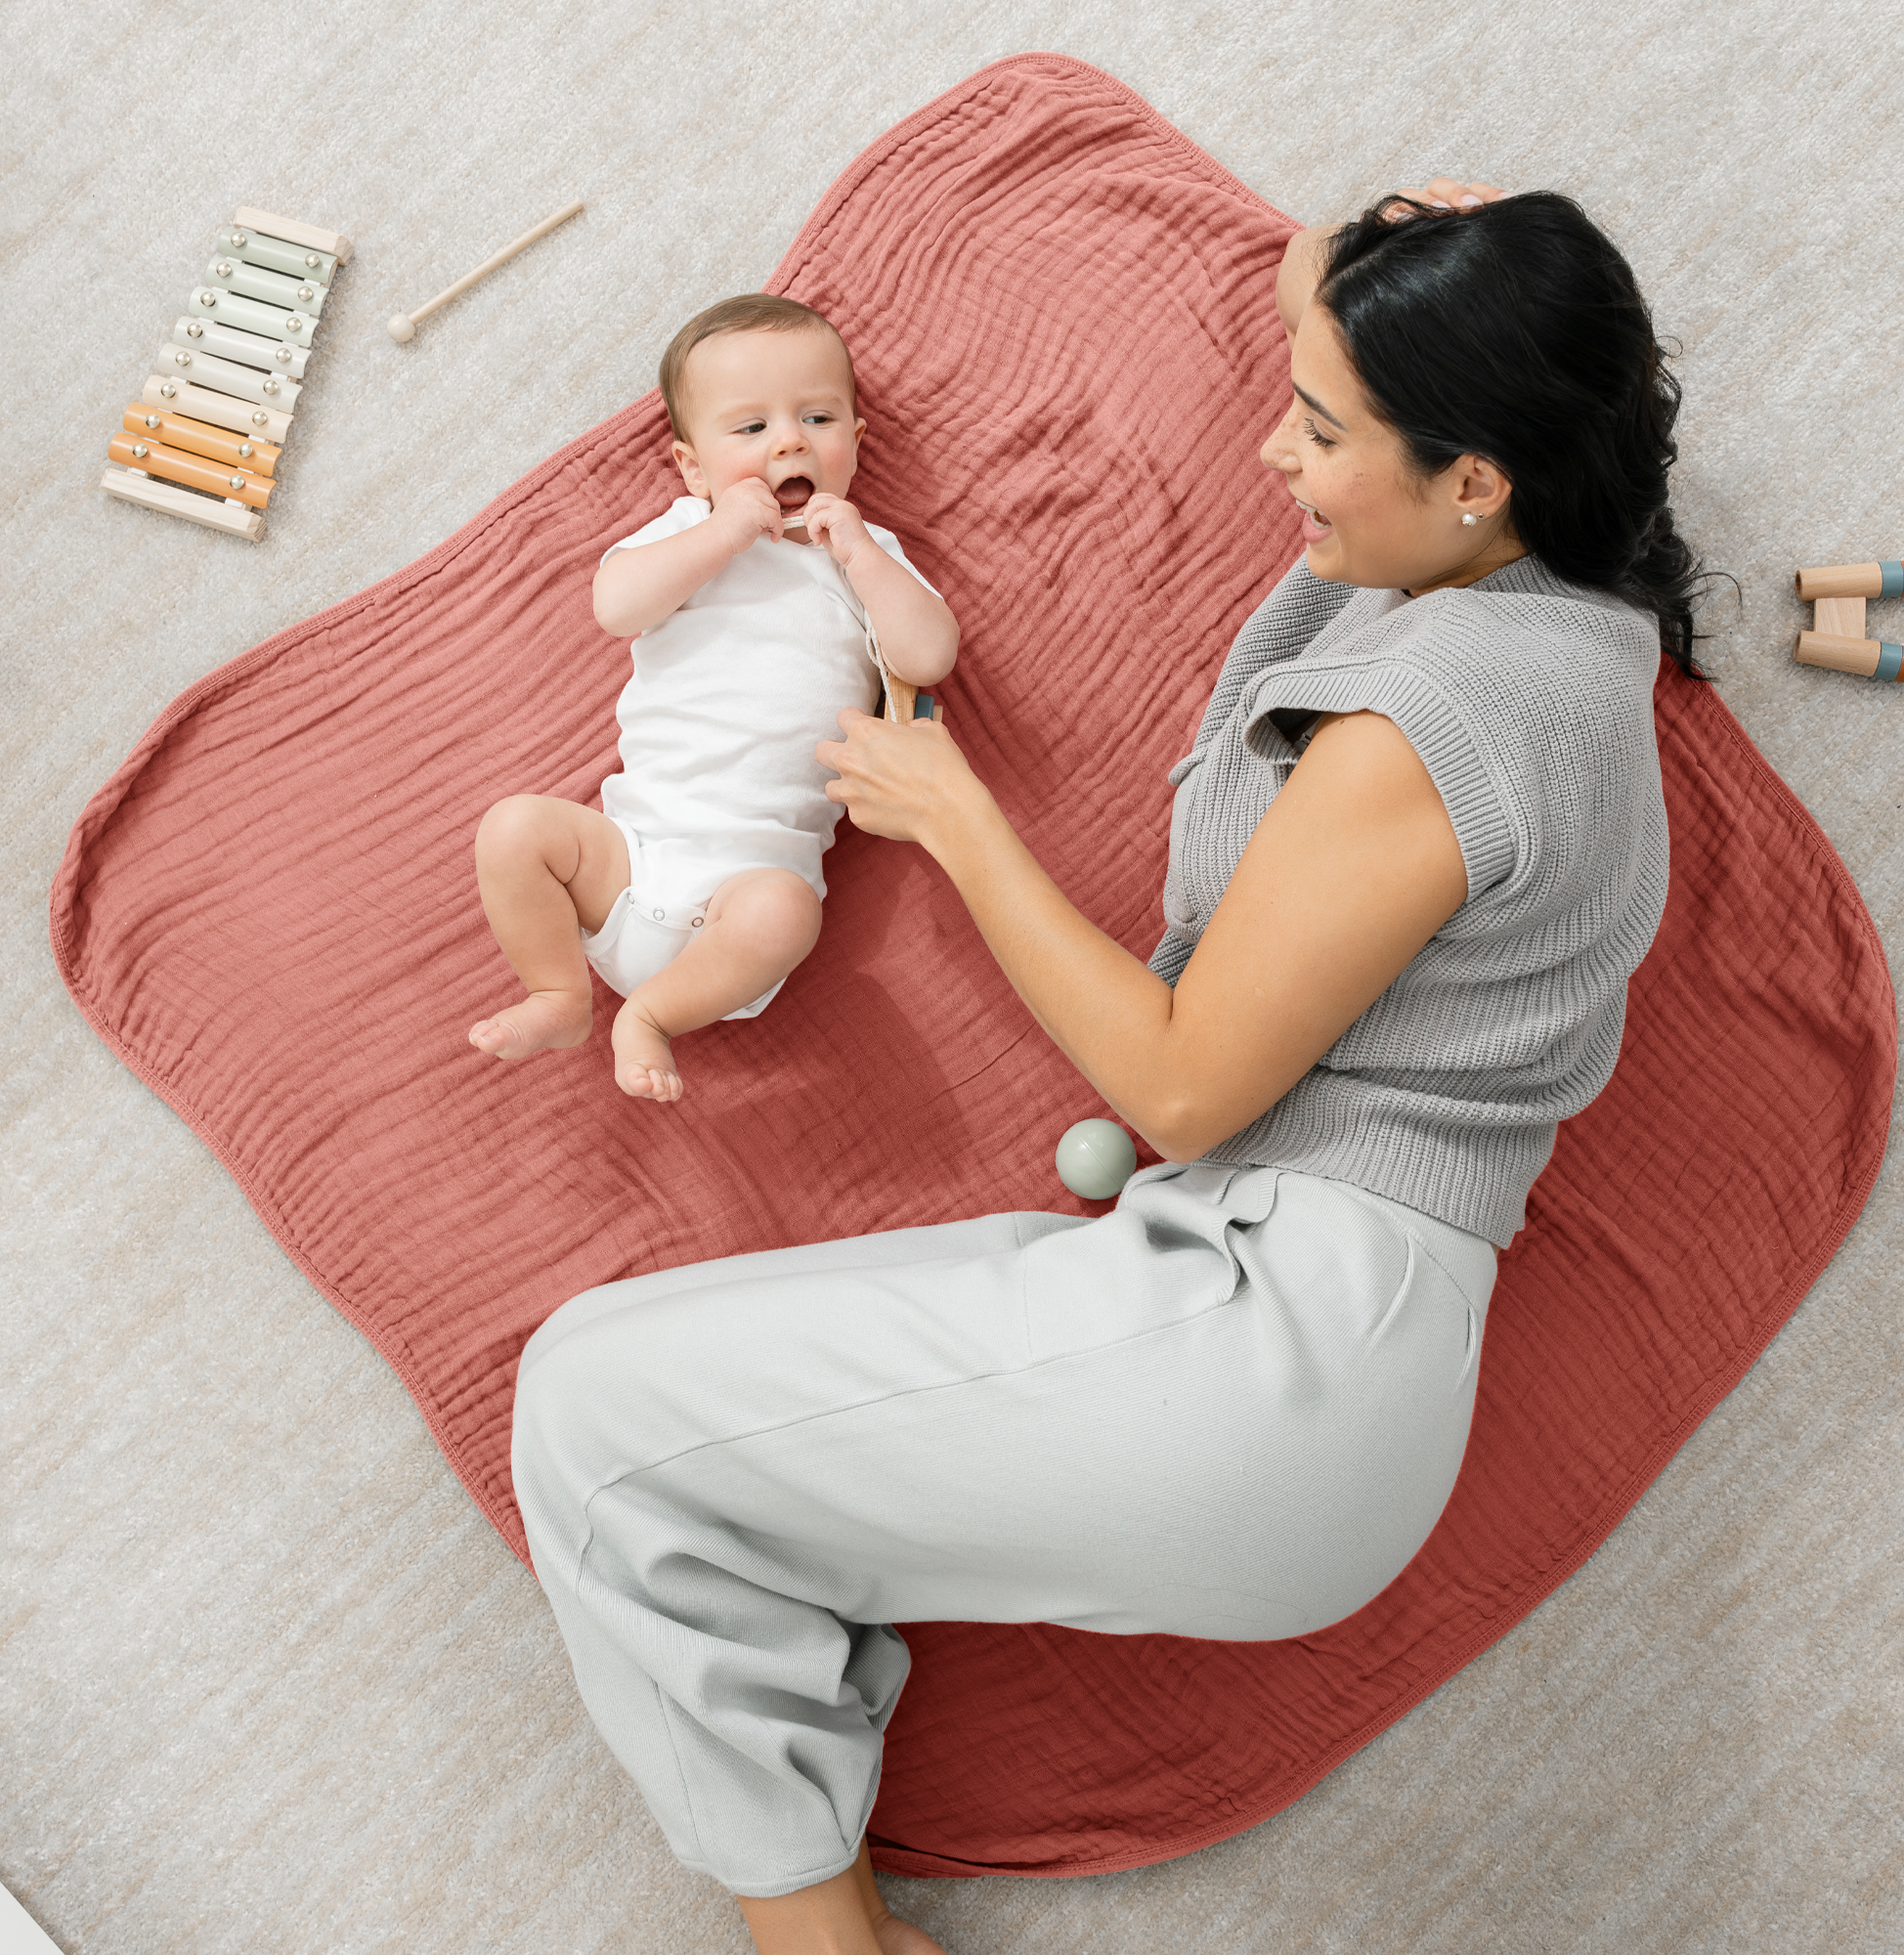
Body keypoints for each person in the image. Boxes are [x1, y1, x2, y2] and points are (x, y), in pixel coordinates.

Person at [510, 176, 1709, 1954]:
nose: (1268, 454)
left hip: (1268, 1352)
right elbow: (1396, 363)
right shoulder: (1562, 611)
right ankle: (839, 1916)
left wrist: (957, 820)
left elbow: (1182, 1090)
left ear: (1475, 476)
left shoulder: (1440, 722)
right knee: (619, 1385)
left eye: (1313, 428)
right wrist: (1380, 252)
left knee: (588, 1420)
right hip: (1277, 1333)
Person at [467, 294, 958, 1102]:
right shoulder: (686, 529)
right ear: (693, 466)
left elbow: (929, 654)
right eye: (752, 428)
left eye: (818, 418)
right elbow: (616, 607)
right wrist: (723, 533)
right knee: (513, 828)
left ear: (857, 445)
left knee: (789, 912)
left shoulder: (868, 556)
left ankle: (651, 1016)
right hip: (629, 861)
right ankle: (559, 993)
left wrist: (862, 555)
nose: (790, 440)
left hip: (748, 891)